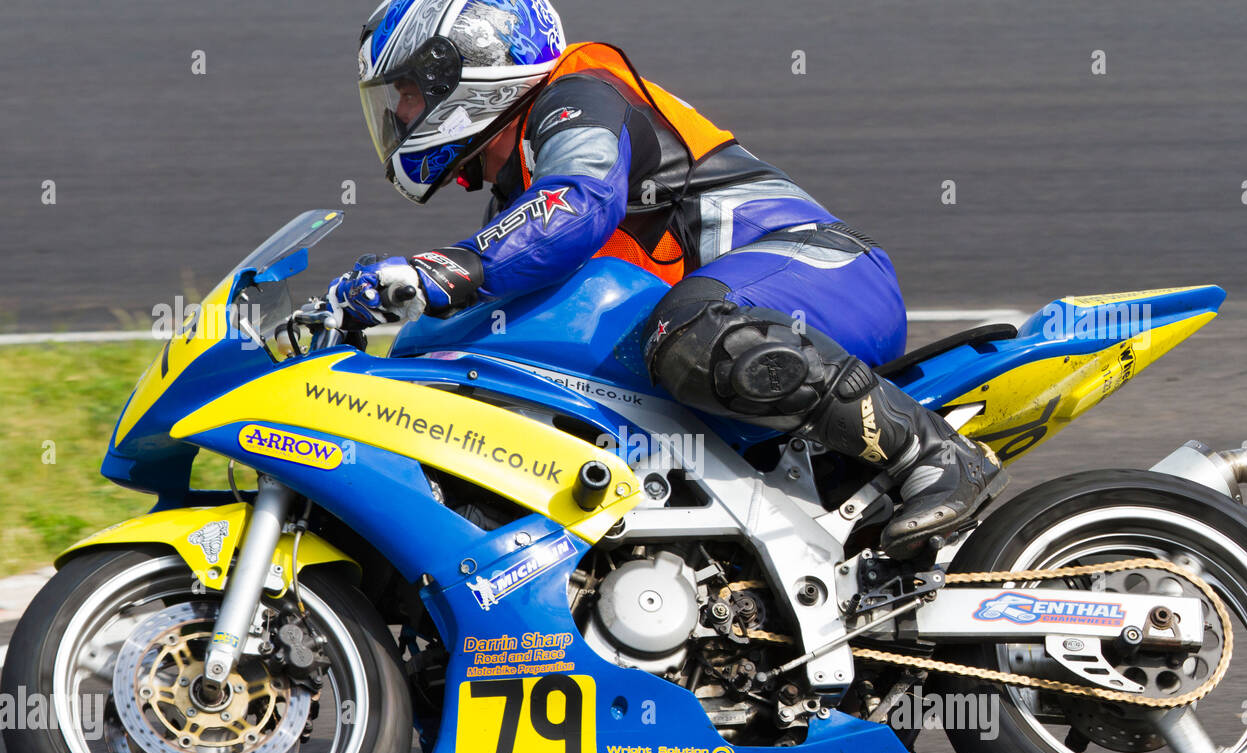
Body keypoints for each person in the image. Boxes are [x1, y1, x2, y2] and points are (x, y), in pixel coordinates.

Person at [330, 0, 1005, 558]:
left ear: (470, 75)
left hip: (823, 277)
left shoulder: (576, 99)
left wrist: (436, 270)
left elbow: (577, 204)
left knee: (685, 331)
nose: (400, 116)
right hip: (734, 336)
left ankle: (934, 452)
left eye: (411, 92)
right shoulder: (512, 201)